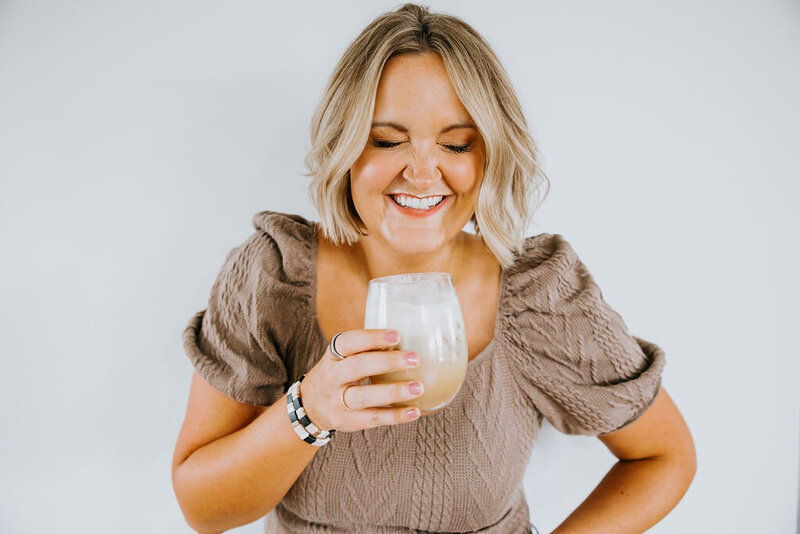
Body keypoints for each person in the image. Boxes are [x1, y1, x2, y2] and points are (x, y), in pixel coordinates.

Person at [172, 4, 696, 533]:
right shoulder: (274, 277)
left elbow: (663, 457)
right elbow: (204, 510)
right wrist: (308, 412)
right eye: (387, 139)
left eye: (455, 143)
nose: (422, 172)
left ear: (488, 154)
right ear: (345, 146)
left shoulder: (536, 294)